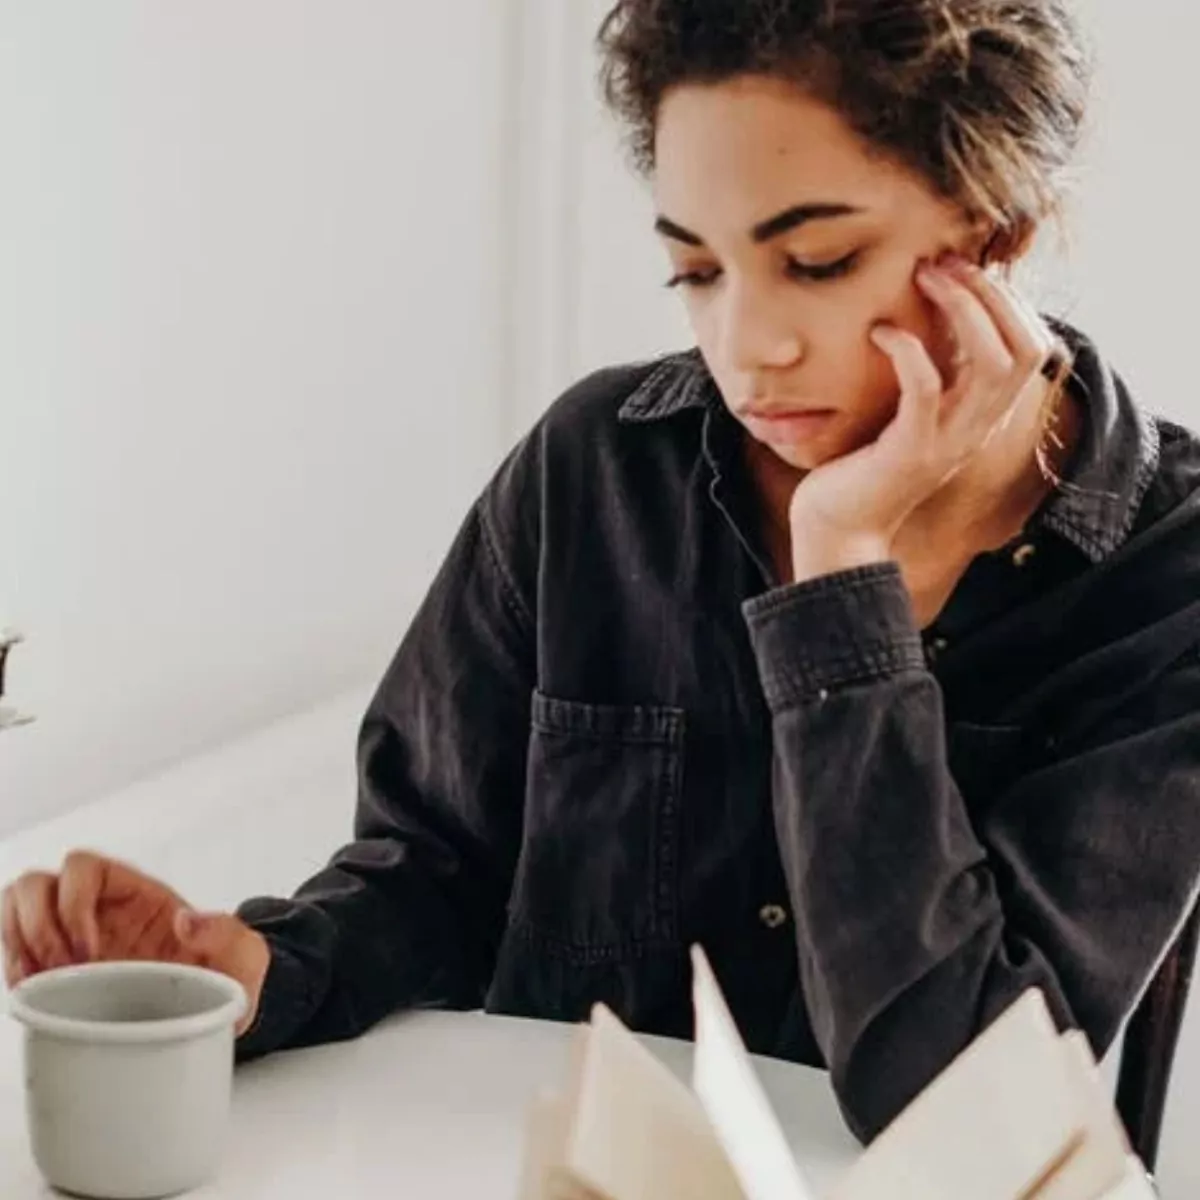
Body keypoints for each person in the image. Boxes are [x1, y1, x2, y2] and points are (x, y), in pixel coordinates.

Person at [4, 0, 1200, 1143]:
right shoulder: (596, 471)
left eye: (818, 260)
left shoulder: (1169, 580)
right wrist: (255, 968)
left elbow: (961, 1106)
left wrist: (838, 578)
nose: (747, 348)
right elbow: (432, 875)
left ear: (998, 229)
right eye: (698, 272)